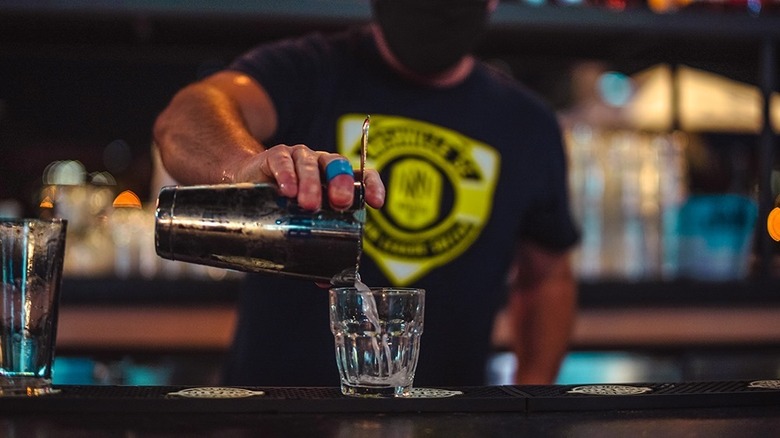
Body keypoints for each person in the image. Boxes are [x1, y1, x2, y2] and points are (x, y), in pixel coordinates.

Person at [153, 0, 579, 386]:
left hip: (449, 419)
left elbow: (547, 277)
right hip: (276, 414)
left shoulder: (528, 124)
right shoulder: (307, 70)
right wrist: (245, 166)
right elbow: (186, 117)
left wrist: (529, 402)